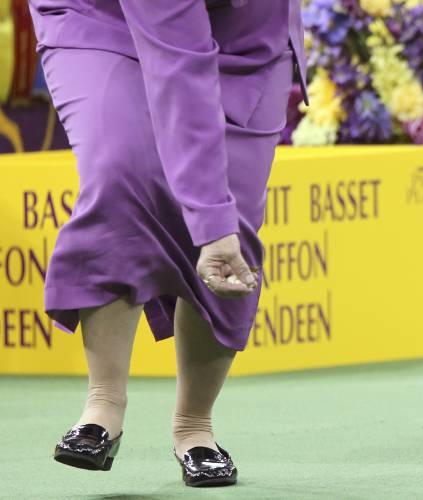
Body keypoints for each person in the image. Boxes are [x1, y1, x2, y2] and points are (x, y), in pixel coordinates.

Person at [28, 0, 307, 487]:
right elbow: (180, 61)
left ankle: (194, 426)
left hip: (248, 34)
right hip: (101, 20)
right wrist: (209, 224)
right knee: (120, 170)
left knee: (233, 220)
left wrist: (220, 225)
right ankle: (103, 405)